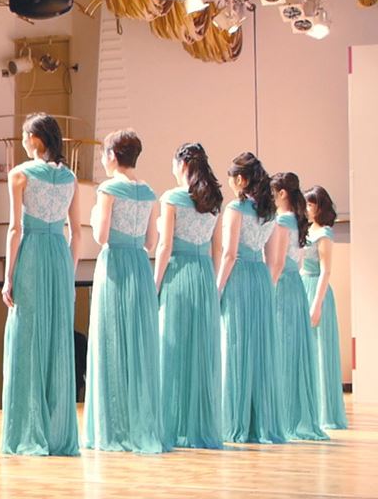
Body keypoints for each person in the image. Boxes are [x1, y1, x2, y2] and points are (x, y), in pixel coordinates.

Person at [1, 114, 82, 457]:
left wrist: (8, 276)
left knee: (28, 336)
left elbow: (14, 229)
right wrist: (69, 274)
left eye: (24, 135)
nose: (22, 141)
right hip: (60, 257)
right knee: (56, 340)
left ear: (35, 139)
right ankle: (58, 433)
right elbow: (77, 232)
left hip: (33, 253)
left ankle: (27, 430)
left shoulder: (20, 174)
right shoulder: (70, 177)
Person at [84, 130, 168, 454]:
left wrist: (94, 216)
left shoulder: (108, 189)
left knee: (112, 342)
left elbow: (101, 235)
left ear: (112, 155)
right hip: (140, 267)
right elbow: (151, 242)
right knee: (137, 344)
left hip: (115, 266)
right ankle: (139, 424)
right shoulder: (149, 193)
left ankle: (114, 427)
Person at [154, 143, 223, 449]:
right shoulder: (214, 200)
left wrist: (155, 284)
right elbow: (217, 249)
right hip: (204, 274)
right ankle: (198, 424)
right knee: (199, 350)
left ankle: (172, 424)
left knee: (172, 347)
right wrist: (215, 285)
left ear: (182, 164)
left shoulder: (171, 198)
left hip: (179, 274)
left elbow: (164, 246)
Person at [217, 153, 285, 444]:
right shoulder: (269, 212)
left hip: (240, 276)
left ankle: (235, 421)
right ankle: (259, 422)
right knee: (259, 350)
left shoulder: (235, 208)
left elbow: (229, 254)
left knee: (235, 346)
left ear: (240, 179)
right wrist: (264, 288)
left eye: (231, 178)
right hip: (260, 279)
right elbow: (274, 261)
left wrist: (217, 289)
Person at [268, 173, 329, 441]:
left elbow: (278, 262)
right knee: (291, 348)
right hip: (296, 287)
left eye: (273, 192)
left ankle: (284, 415)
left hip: (283, 285)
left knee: (281, 347)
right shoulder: (298, 220)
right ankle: (293, 413)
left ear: (282, 193)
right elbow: (300, 262)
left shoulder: (283, 220)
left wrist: (268, 289)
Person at [302, 186, 348, 429]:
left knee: (319, 350)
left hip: (316, 291)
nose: (306, 209)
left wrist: (316, 304)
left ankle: (324, 412)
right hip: (303, 286)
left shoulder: (324, 233)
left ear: (320, 207)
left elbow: (325, 271)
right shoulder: (307, 229)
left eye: (310, 204)